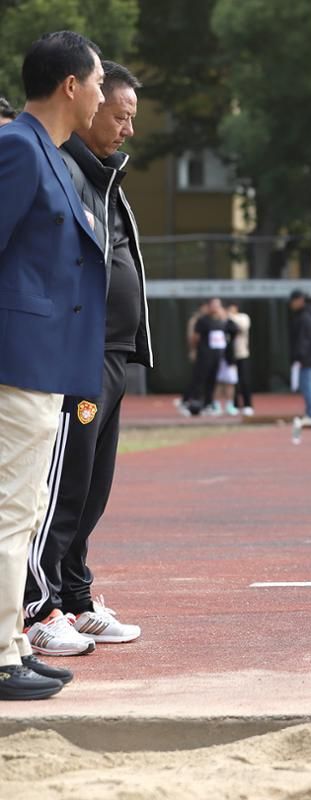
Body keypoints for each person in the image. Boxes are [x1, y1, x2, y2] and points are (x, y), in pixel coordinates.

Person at [26, 59, 152, 659]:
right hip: (79, 352)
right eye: (118, 113)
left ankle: (75, 596)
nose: (128, 128)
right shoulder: (57, 168)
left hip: (115, 354)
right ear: (86, 102)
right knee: (62, 487)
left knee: (92, 489)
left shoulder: (106, 178)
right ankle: (38, 605)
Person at [0, 30, 107, 699]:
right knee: (12, 510)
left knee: (27, 508)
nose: (101, 96)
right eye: (97, 83)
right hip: (18, 360)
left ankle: (13, 640)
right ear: (71, 85)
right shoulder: (18, 147)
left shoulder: (50, 153)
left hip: (44, 363)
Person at [189, 298, 231, 414]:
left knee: (212, 380)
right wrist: (194, 350)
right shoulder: (202, 320)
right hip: (204, 355)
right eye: (214, 305)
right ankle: (195, 404)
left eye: (218, 305)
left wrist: (225, 316)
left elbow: (234, 329)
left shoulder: (222, 321)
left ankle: (208, 404)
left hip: (217, 356)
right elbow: (195, 337)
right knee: (200, 379)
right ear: (209, 306)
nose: (216, 307)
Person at [288, 290, 311, 423]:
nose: (291, 304)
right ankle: (310, 413)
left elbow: (304, 340)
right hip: (309, 356)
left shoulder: (305, 318)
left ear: (300, 300)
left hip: (306, 357)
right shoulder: (310, 315)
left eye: (293, 301)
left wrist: (299, 356)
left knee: (307, 385)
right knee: (307, 385)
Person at [227, 301, 254, 416]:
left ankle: (248, 405)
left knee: (244, 380)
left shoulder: (243, 317)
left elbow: (242, 327)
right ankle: (234, 405)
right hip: (229, 356)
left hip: (242, 354)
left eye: (232, 308)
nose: (230, 310)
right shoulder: (225, 320)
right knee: (232, 381)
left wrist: (230, 316)